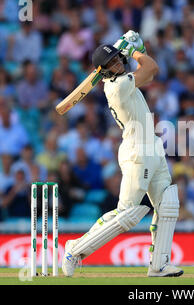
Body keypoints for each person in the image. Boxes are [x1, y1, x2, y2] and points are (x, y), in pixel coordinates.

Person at [62, 31, 183, 278]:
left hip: (153, 147)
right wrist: (132, 50)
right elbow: (152, 67)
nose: (118, 63)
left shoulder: (126, 79)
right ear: (103, 71)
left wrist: (135, 48)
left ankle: (158, 265)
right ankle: (74, 250)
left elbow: (147, 72)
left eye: (119, 59)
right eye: (112, 63)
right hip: (137, 152)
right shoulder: (116, 87)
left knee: (167, 204)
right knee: (127, 214)